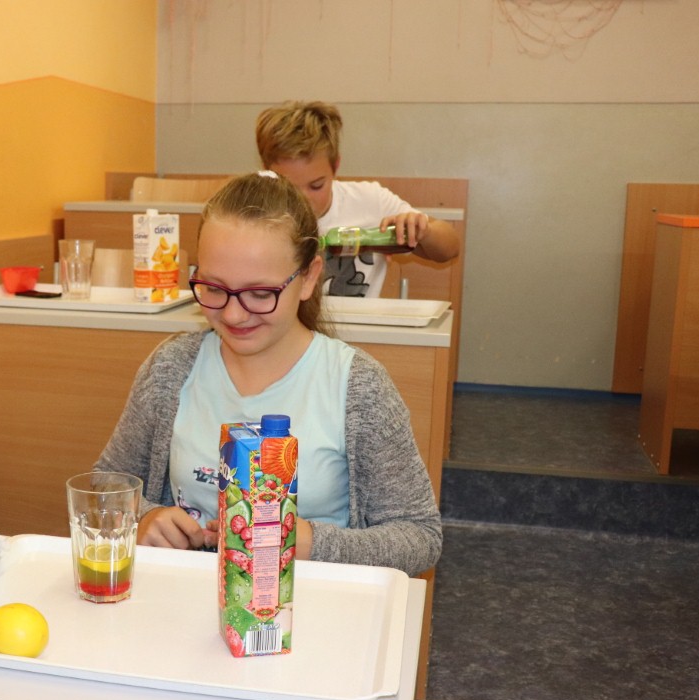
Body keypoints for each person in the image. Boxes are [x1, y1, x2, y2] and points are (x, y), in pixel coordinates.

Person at [93, 171, 441, 575]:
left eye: (261, 294)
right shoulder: (171, 368)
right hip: (189, 595)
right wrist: (144, 518)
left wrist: (308, 542)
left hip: (315, 602)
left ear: (309, 278)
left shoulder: (357, 386)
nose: (233, 314)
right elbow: (106, 484)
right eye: (214, 288)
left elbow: (420, 536)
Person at [255, 100, 461, 298]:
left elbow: (450, 248)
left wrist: (423, 230)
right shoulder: (253, 208)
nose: (304, 201)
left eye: (316, 186)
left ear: (335, 166)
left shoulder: (370, 201)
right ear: (266, 172)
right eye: (290, 188)